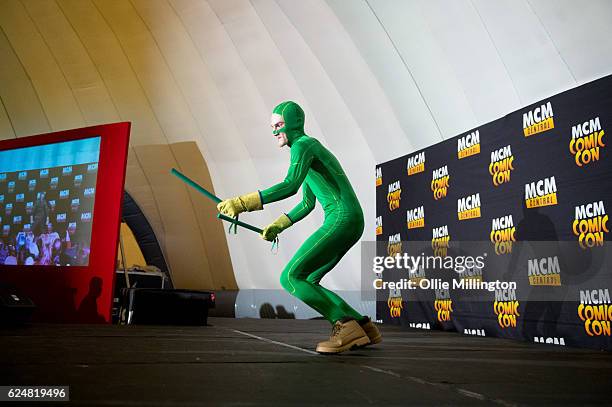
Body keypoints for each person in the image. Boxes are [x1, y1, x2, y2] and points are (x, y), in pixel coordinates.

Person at [217, 101, 381, 354]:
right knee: (310, 279)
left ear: (293, 123)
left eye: (279, 125)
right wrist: (278, 225)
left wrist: (242, 203)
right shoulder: (308, 149)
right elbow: (306, 202)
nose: (274, 132)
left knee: (290, 278)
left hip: (341, 218)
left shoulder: (303, 145)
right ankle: (362, 325)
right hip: (350, 220)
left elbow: (289, 185)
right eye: (272, 126)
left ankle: (344, 326)